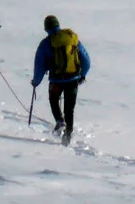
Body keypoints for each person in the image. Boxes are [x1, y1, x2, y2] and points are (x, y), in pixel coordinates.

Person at [32, 15, 91, 145]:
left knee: (54, 100)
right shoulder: (71, 38)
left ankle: (60, 122)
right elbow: (86, 59)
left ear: (46, 28)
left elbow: (39, 66)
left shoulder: (46, 43)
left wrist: (36, 82)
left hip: (56, 81)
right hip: (73, 79)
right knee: (69, 108)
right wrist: (82, 74)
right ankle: (68, 132)